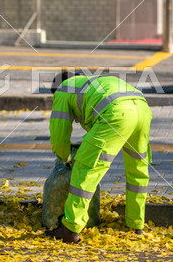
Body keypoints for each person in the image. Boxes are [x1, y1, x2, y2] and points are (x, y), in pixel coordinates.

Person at [45, 71, 153, 243]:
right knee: (137, 168)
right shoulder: (90, 83)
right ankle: (136, 223)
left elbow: (59, 135)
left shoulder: (63, 90)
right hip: (142, 109)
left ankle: (71, 228)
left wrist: (65, 158)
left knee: (85, 168)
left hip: (116, 113)